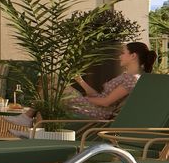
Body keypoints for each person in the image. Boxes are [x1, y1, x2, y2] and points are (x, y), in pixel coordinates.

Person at [8, 42, 156, 128]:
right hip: (94, 106)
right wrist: (80, 81)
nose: (119, 56)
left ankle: (28, 120)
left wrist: (82, 98)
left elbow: (106, 102)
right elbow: (100, 96)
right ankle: (32, 128)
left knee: (54, 91)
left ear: (133, 56)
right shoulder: (125, 76)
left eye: (123, 53)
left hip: (98, 112)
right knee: (51, 88)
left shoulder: (133, 79)